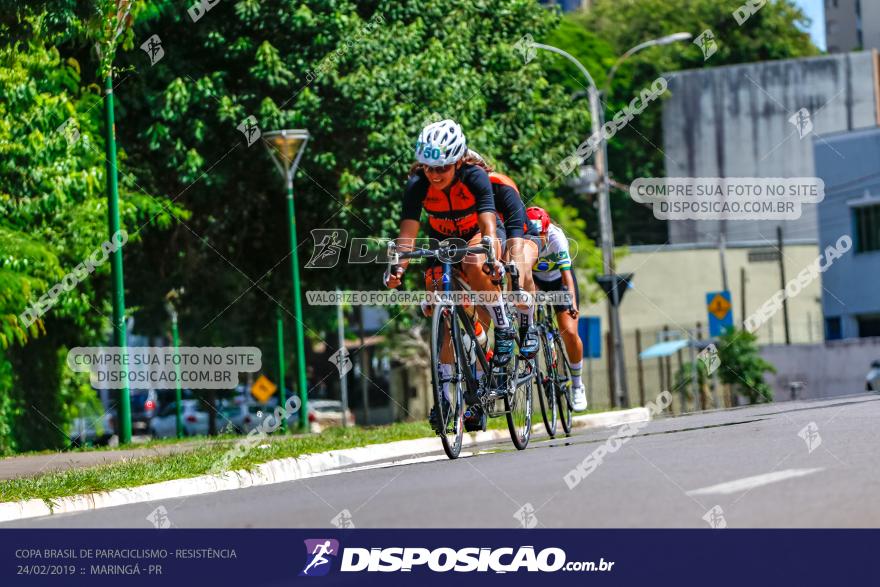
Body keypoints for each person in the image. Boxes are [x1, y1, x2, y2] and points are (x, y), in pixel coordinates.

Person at [383, 119, 513, 431]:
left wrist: (491, 251)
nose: (435, 175)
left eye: (442, 168)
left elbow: (488, 223)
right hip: (441, 243)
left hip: (476, 235)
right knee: (442, 315)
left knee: (471, 259)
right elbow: (408, 233)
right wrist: (399, 266)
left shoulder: (474, 175)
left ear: (457, 161)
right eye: (429, 168)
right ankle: (445, 399)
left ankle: (504, 325)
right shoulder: (418, 183)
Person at [462, 149, 539, 359]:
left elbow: (515, 232)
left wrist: (512, 273)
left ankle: (527, 325)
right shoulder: (462, 194)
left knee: (518, 271)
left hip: (522, 235)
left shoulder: (501, 185)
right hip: (495, 238)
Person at [526, 206, 588, 411]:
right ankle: (546, 347)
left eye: (540, 235)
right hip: (536, 281)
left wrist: (571, 302)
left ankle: (578, 385)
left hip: (559, 281)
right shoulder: (522, 237)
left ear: (546, 230)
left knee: (569, 331)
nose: (537, 239)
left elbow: (567, 276)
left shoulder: (556, 238)